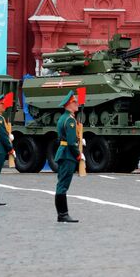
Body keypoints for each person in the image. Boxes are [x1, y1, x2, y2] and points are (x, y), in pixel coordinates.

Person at [54, 90, 84, 223]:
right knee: (63, 185)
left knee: (62, 184)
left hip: (64, 152)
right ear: (68, 105)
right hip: (68, 154)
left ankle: (62, 214)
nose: (77, 104)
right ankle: (63, 214)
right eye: (74, 102)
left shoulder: (63, 118)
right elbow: (71, 143)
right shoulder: (70, 120)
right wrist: (79, 155)